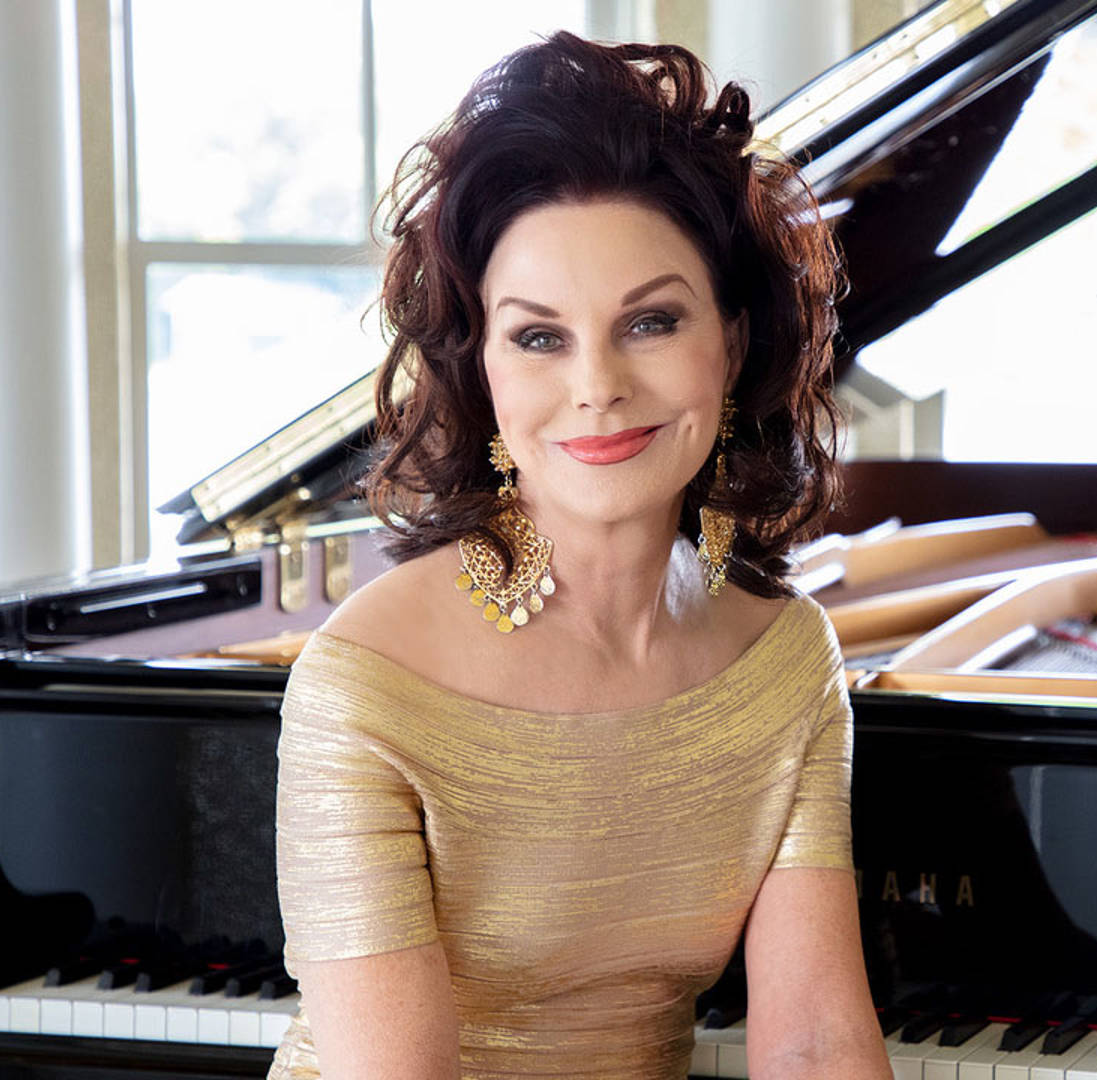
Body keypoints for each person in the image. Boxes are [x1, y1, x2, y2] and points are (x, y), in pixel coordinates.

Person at [265, 30, 891, 1080]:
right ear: (486, 376)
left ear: (731, 346)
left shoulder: (787, 661)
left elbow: (817, 1040)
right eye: (539, 336)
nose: (596, 384)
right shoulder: (364, 681)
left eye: (649, 322)